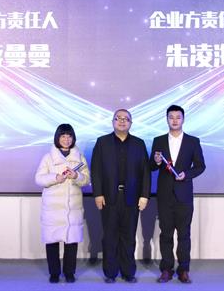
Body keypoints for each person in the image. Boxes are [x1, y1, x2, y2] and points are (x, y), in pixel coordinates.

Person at [90, 109, 151, 283]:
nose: (122, 121)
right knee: (110, 237)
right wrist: (98, 194)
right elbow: (96, 170)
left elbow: (145, 172)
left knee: (128, 237)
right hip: (109, 197)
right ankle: (110, 273)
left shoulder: (139, 143)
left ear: (131, 123)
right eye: (118, 118)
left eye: (126, 119)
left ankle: (128, 272)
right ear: (113, 122)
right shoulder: (102, 142)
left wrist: (144, 195)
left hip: (132, 198)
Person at [150, 105, 205, 283]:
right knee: (165, 234)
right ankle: (166, 269)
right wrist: (156, 161)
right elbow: (151, 166)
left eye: (178, 117)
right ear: (166, 119)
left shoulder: (193, 141)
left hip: (184, 196)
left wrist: (186, 174)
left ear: (183, 119)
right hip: (165, 196)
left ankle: (183, 269)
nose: (174, 120)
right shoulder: (158, 140)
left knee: (184, 235)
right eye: (171, 117)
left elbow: (200, 166)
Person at [35, 123, 90, 283]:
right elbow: (39, 179)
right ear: (57, 138)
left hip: (73, 208)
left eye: (69, 136)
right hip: (53, 208)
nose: (66, 139)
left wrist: (76, 176)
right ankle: (54, 273)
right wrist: (55, 178)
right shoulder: (48, 157)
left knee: (71, 242)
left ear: (73, 138)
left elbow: (87, 179)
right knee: (52, 241)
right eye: (63, 136)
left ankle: (69, 273)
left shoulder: (80, 157)